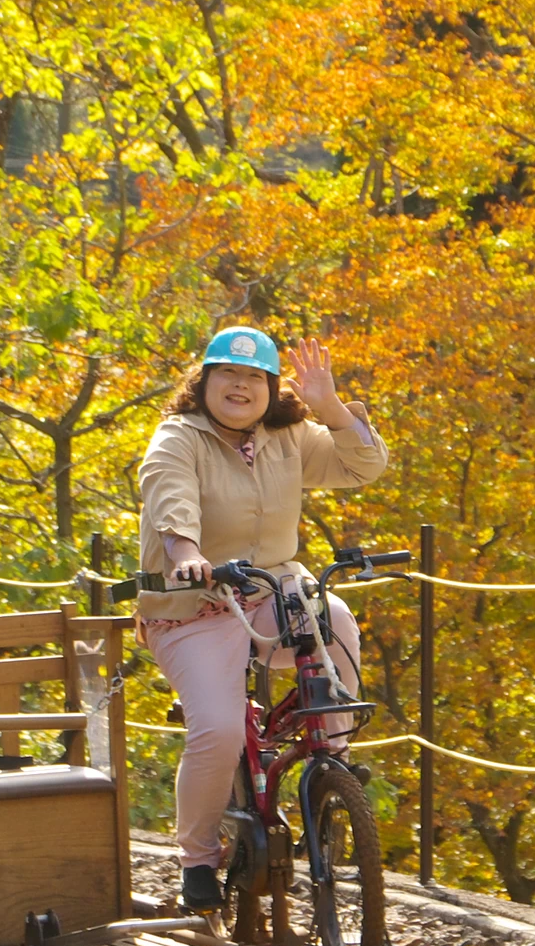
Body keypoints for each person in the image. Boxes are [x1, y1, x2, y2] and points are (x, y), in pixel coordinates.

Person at [134, 325, 388, 912]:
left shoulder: (290, 435)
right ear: (204, 382)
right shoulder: (179, 436)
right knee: (218, 731)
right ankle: (197, 857)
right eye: (228, 374)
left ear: (272, 388)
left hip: (272, 590)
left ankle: (332, 767)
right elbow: (170, 497)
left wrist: (331, 408)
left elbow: (364, 466)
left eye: (254, 377)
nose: (240, 387)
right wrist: (186, 555)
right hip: (194, 605)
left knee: (337, 620)